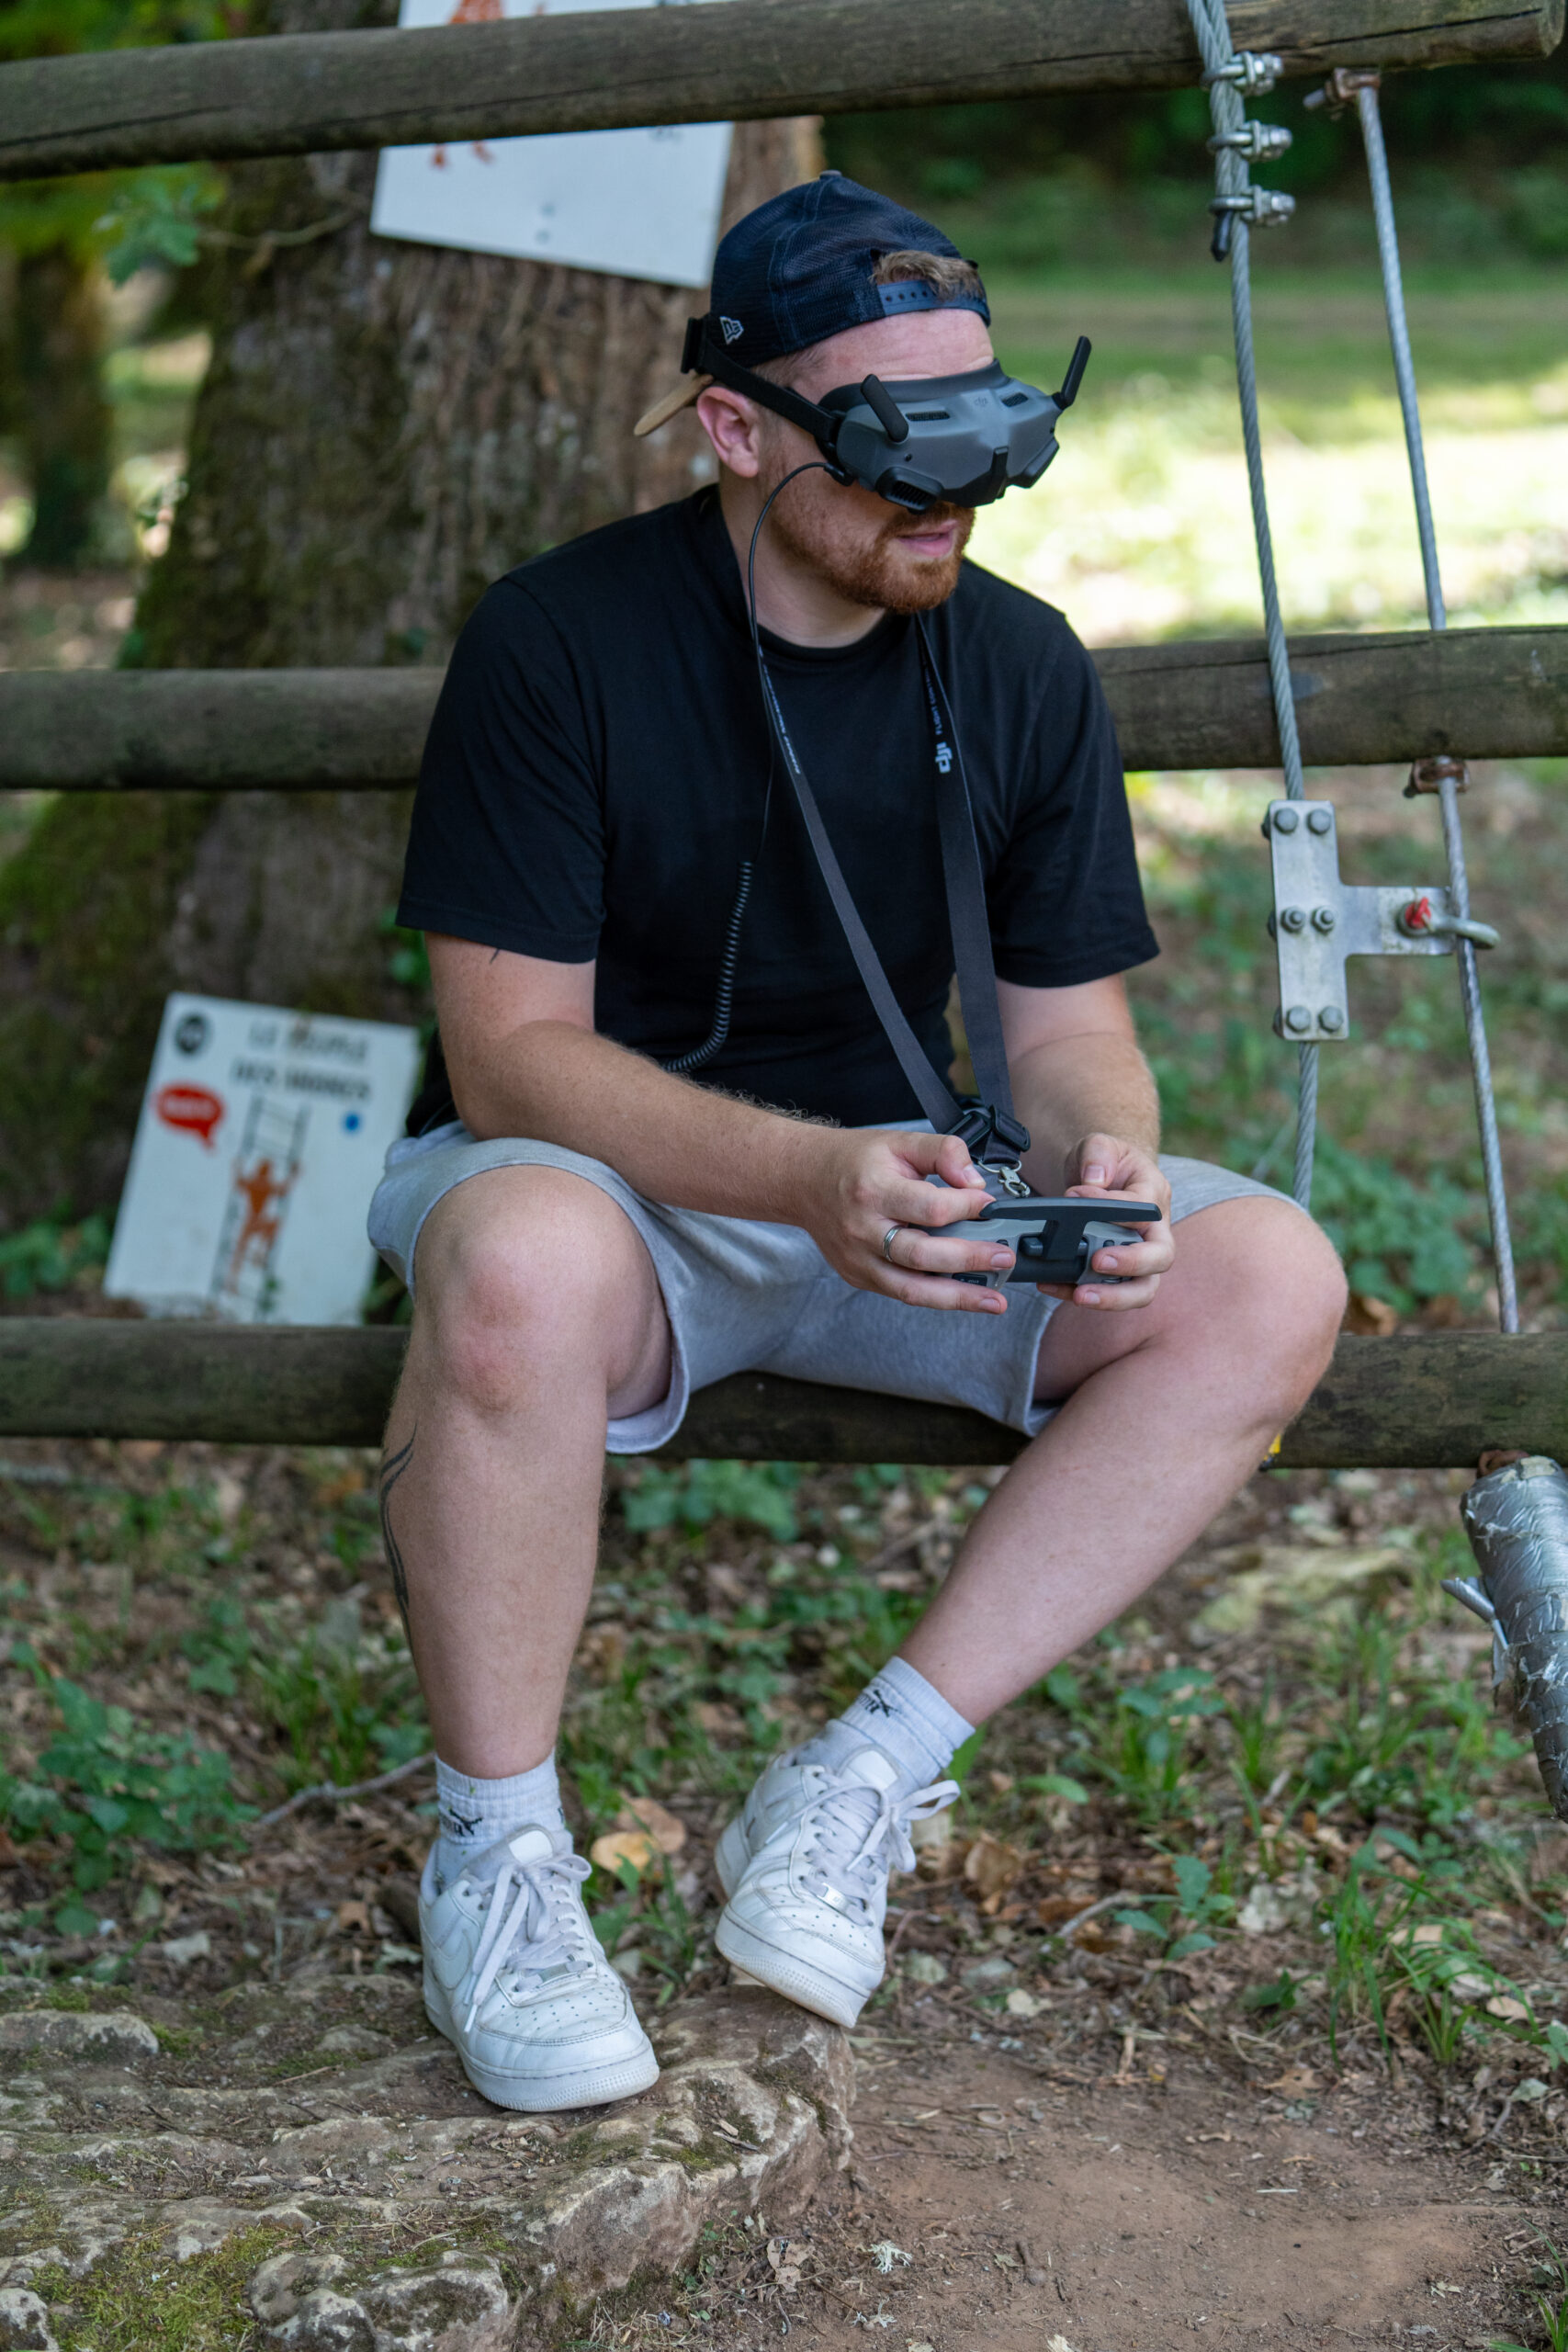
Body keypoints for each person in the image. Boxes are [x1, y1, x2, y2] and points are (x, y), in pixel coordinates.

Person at [367, 174, 1348, 2114]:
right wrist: (800, 1177)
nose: (953, 496)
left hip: (902, 1189)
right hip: (604, 1187)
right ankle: (498, 1852)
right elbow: (508, 1058)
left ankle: (861, 1775)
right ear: (737, 429)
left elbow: (1067, 1036)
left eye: (993, 435)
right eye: (902, 443)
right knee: (516, 1260)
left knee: (1266, 1275)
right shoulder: (558, 639)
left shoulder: (1021, 660)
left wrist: (1106, 1157)